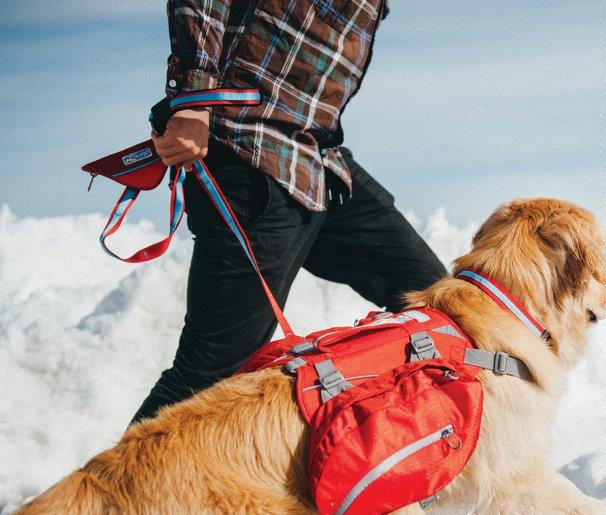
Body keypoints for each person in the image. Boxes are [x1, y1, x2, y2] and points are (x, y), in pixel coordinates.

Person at [132, 0, 446, 423]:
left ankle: (387, 452)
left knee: (436, 304)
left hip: (320, 161)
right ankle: (116, 490)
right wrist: (193, 98)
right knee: (211, 374)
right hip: (252, 151)